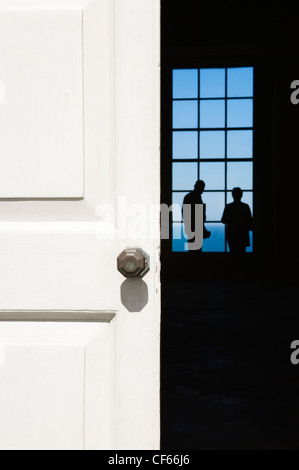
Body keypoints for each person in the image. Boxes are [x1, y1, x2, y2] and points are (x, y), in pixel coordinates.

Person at [221, 187, 253, 253]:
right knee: (242, 254)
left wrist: (231, 220)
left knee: (233, 254)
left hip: (232, 234)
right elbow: (250, 221)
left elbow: (223, 220)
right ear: (241, 195)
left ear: (232, 195)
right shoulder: (245, 206)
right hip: (242, 234)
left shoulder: (229, 206)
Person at [182, 180, 211, 251]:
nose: (202, 190)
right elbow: (197, 218)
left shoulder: (189, 197)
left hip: (192, 228)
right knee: (196, 252)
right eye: (202, 188)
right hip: (194, 229)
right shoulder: (194, 197)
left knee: (194, 251)